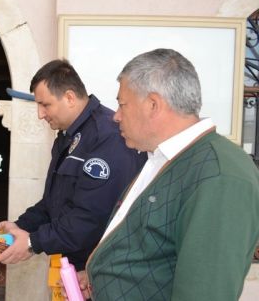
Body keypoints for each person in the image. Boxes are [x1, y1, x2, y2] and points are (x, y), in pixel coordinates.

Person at [83, 48, 259, 300]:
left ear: (153, 104)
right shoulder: (163, 158)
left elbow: (205, 292)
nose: (117, 116)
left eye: (122, 104)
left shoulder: (219, 174)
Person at [0, 60, 146, 270]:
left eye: (45, 105)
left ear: (69, 97)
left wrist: (32, 242)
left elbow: (90, 219)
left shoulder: (107, 137)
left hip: (104, 269)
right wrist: (21, 226)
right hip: (75, 264)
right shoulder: (68, 136)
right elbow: (53, 203)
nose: (40, 114)